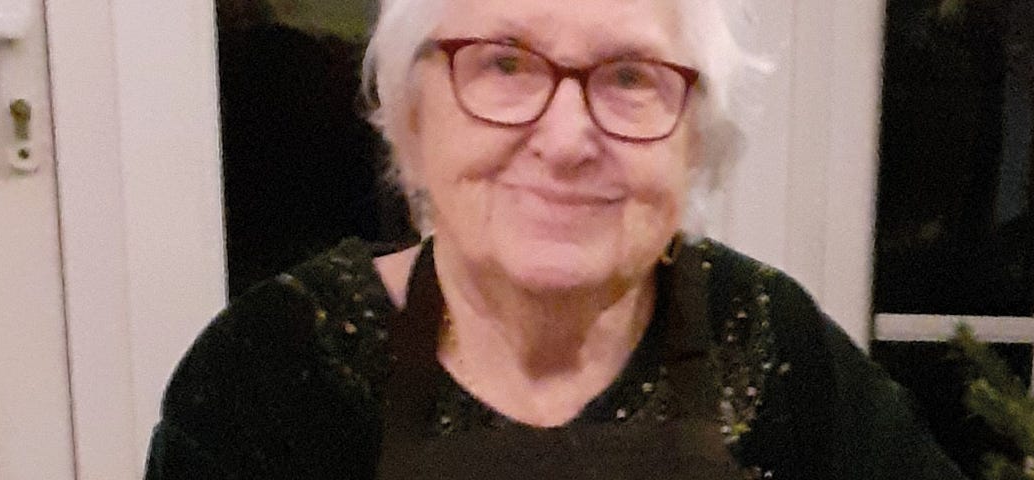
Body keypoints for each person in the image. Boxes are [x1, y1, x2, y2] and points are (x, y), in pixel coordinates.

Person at [145, 0, 967, 478]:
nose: (567, 138)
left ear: (696, 140)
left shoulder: (767, 341)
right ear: (412, 118)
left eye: (630, 77)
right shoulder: (273, 372)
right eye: (505, 65)